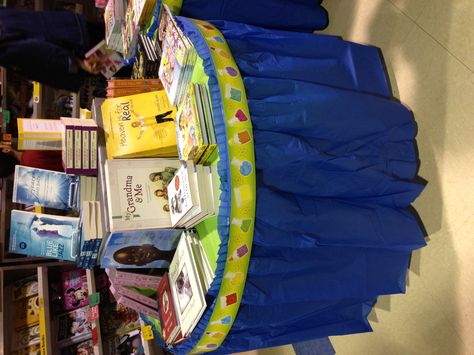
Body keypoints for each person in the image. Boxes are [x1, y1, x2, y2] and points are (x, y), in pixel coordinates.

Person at [0, 7, 104, 92]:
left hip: (79, 51)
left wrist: (78, 63)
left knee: (117, 56)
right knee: (116, 35)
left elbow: (38, 52)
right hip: (71, 27)